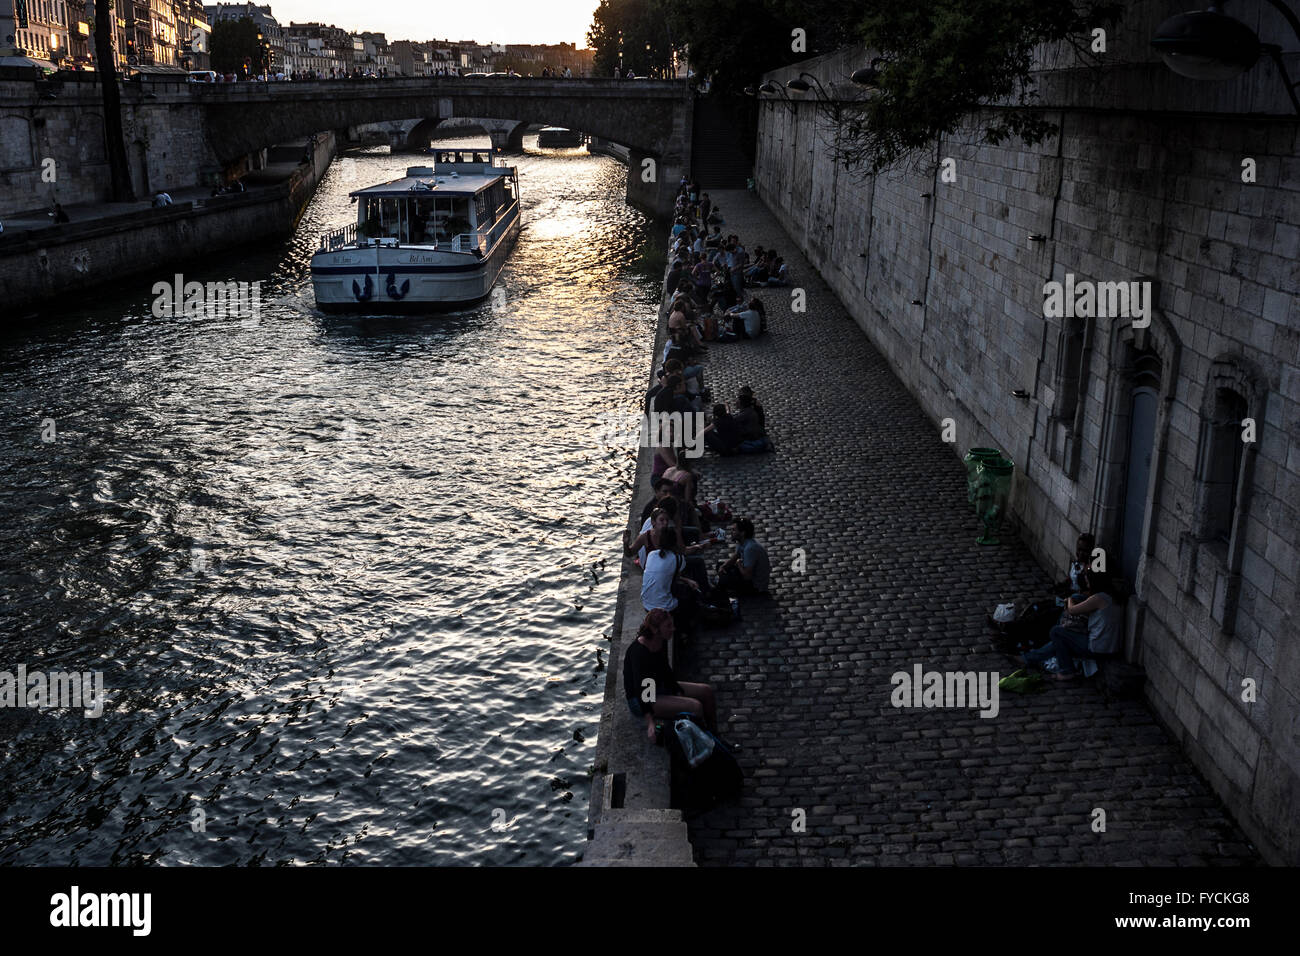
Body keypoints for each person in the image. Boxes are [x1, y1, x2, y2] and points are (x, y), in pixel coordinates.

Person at [623, 609, 718, 741]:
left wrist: (677, 691)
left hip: (658, 686)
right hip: (642, 698)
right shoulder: (640, 652)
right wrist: (650, 722)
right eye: (668, 626)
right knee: (695, 707)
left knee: (706, 691)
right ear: (655, 629)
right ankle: (703, 743)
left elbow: (666, 670)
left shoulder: (661, 640)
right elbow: (643, 690)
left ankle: (715, 735)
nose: (673, 629)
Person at [1020, 571, 1122, 679]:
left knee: (1056, 632)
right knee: (1060, 640)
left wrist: (1069, 599)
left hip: (1098, 648)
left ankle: (1067, 671)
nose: (1087, 585)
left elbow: (1071, 610)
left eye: (1088, 582)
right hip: (1112, 648)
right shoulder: (1113, 596)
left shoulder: (1098, 598)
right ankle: (1028, 658)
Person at [716, 517, 770, 597]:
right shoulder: (741, 542)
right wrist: (723, 566)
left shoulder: (750, 548)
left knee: (725, 579)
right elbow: (735, 557)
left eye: (734, 530)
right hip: (747, 575)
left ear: (742, 533)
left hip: (756, 587)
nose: (731, 532)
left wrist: (739, 565)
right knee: (720, 566)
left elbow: (747, 576)